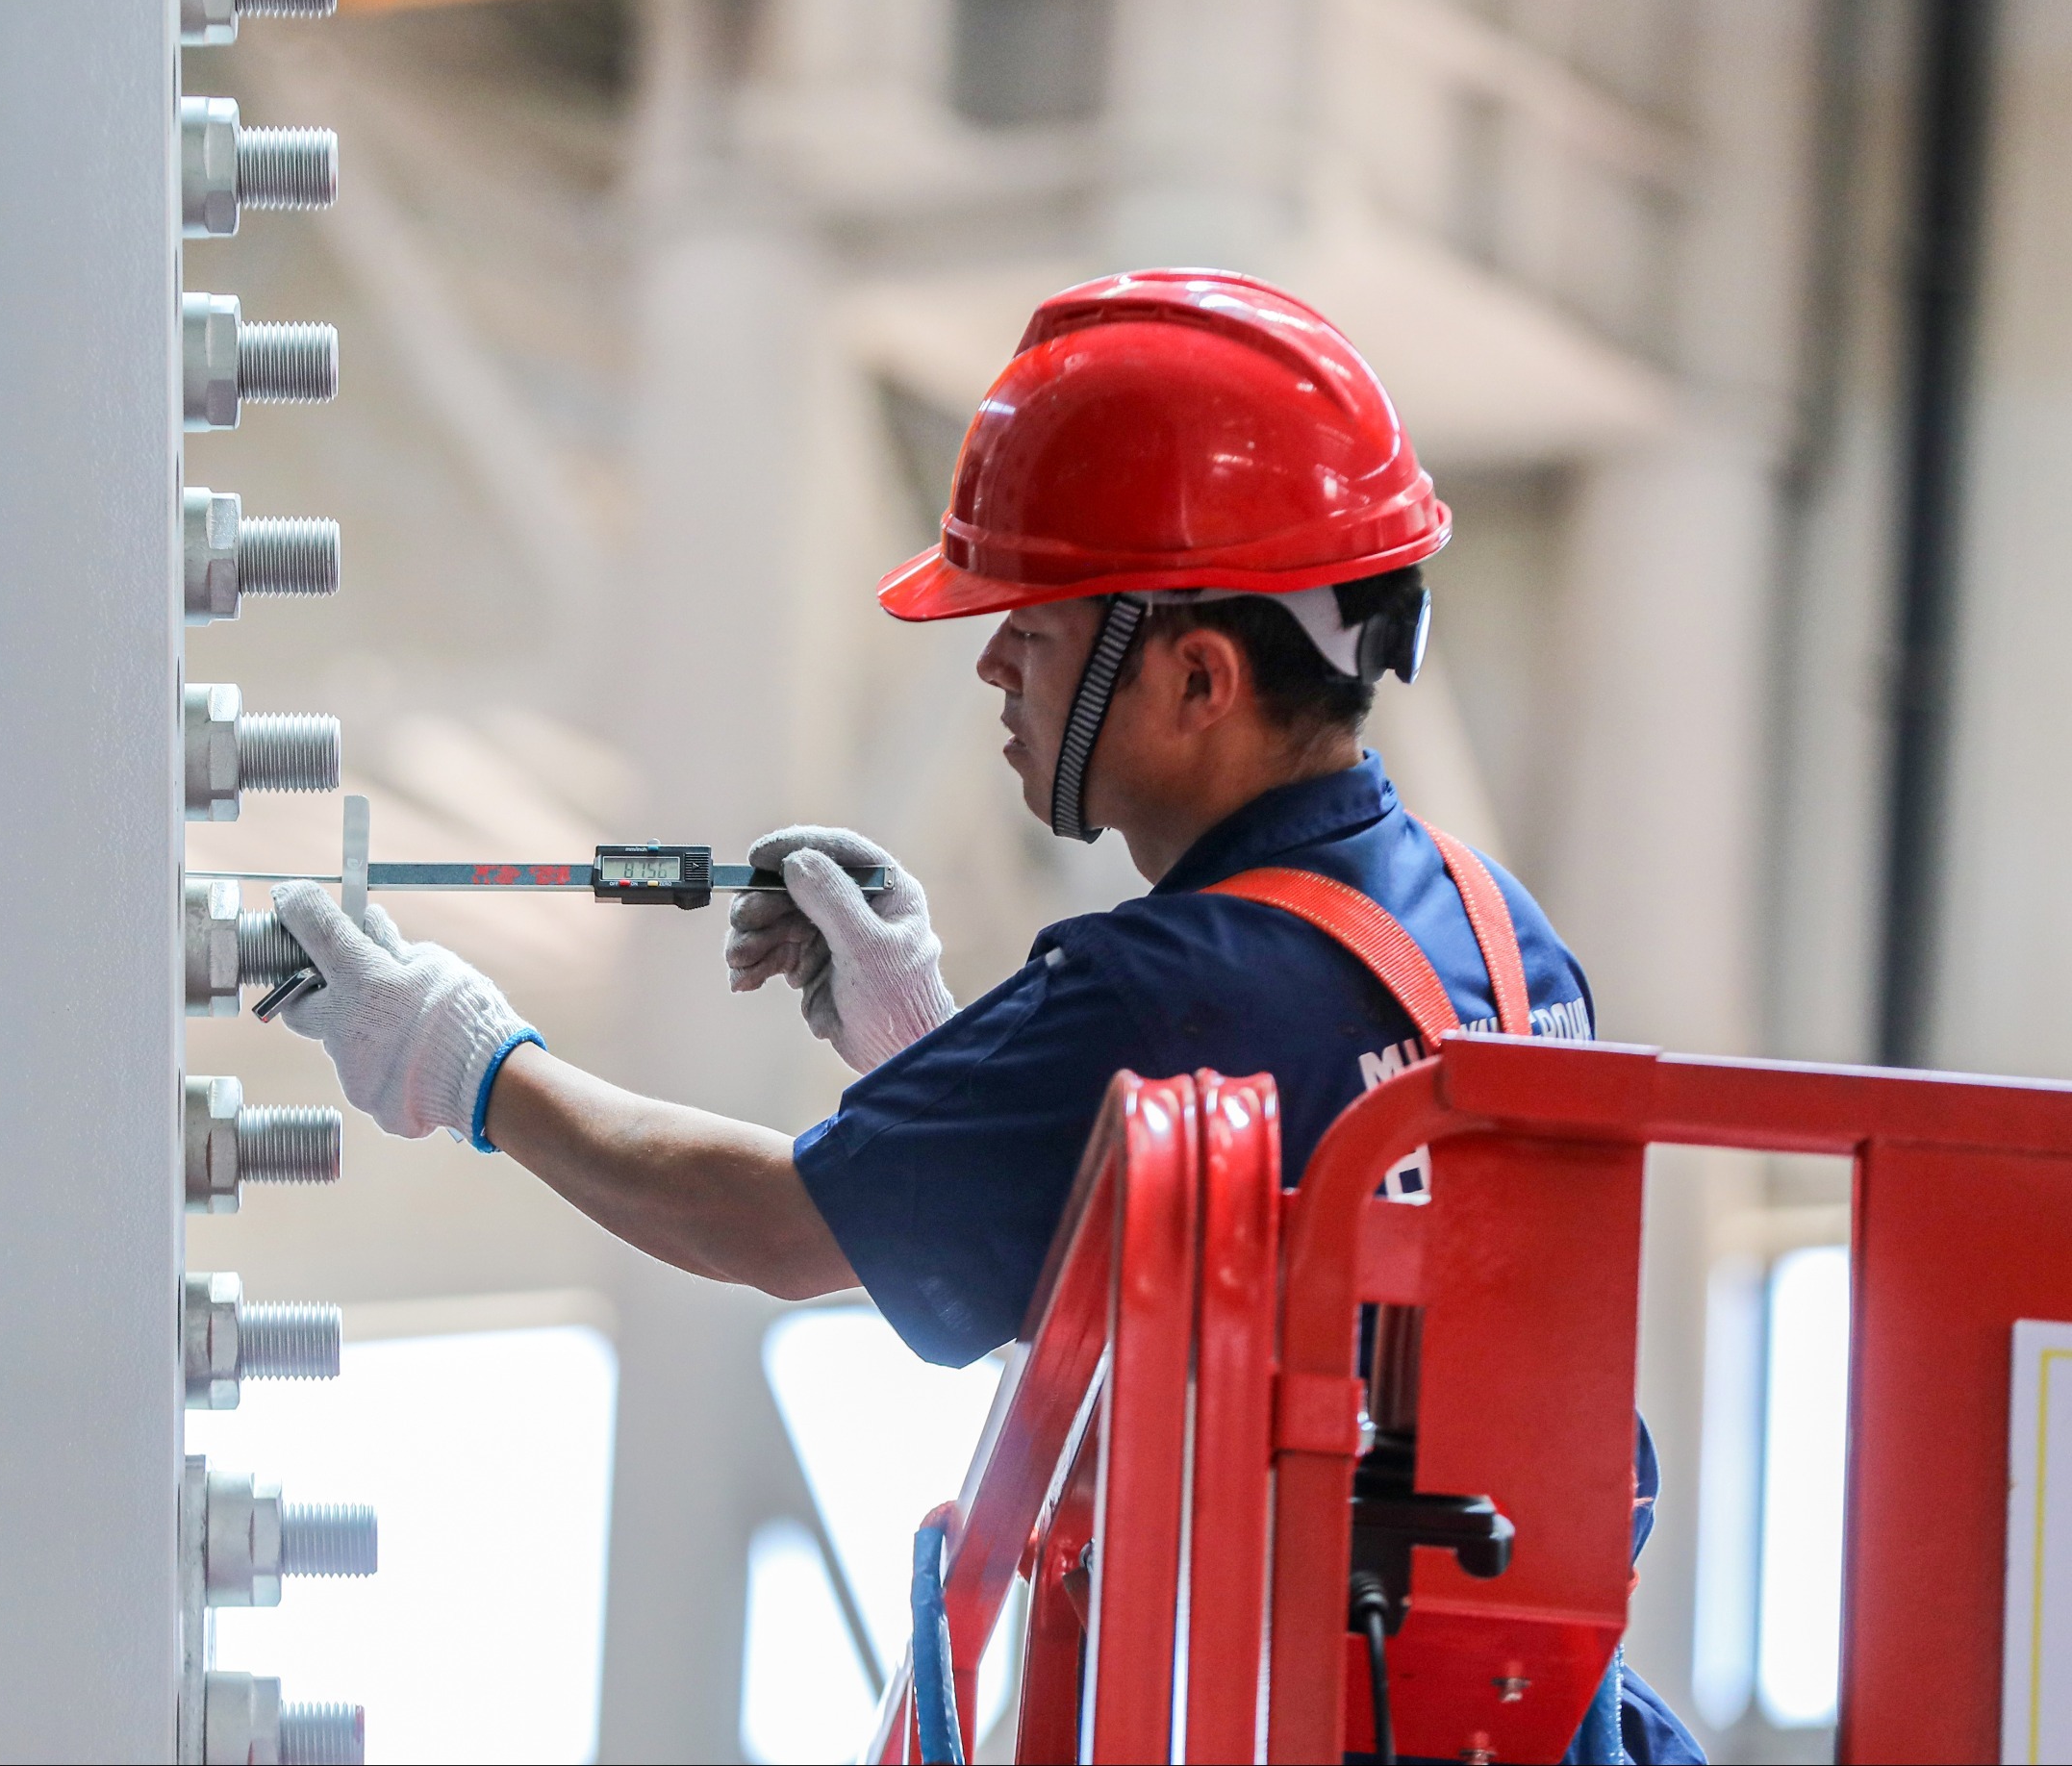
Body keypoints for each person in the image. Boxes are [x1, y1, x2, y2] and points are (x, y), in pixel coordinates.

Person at [265, 268, 1700, 1763]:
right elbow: (1255, 1267)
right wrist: (926, 1044)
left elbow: (767, 1227)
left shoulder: (1166, 988)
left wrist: (458, 1056)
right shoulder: (1500, 936)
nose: (994, 660)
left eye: (1043, 626)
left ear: (1199, 677)